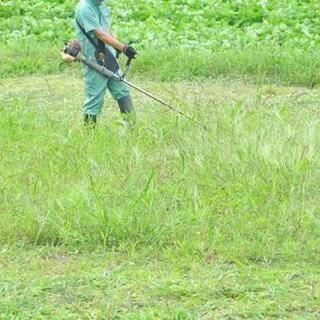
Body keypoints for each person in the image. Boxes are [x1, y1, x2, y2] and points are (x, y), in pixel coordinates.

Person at [73, 0, 137, 126]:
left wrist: (117, 46)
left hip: (108, 56)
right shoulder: (84, 8)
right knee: (94, 98)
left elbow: (106, 28)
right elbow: (99, 33)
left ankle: (130, 128)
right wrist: (123, 48)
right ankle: (89, 136)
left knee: (122, 89)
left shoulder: (101, 4)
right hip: (93, 59)